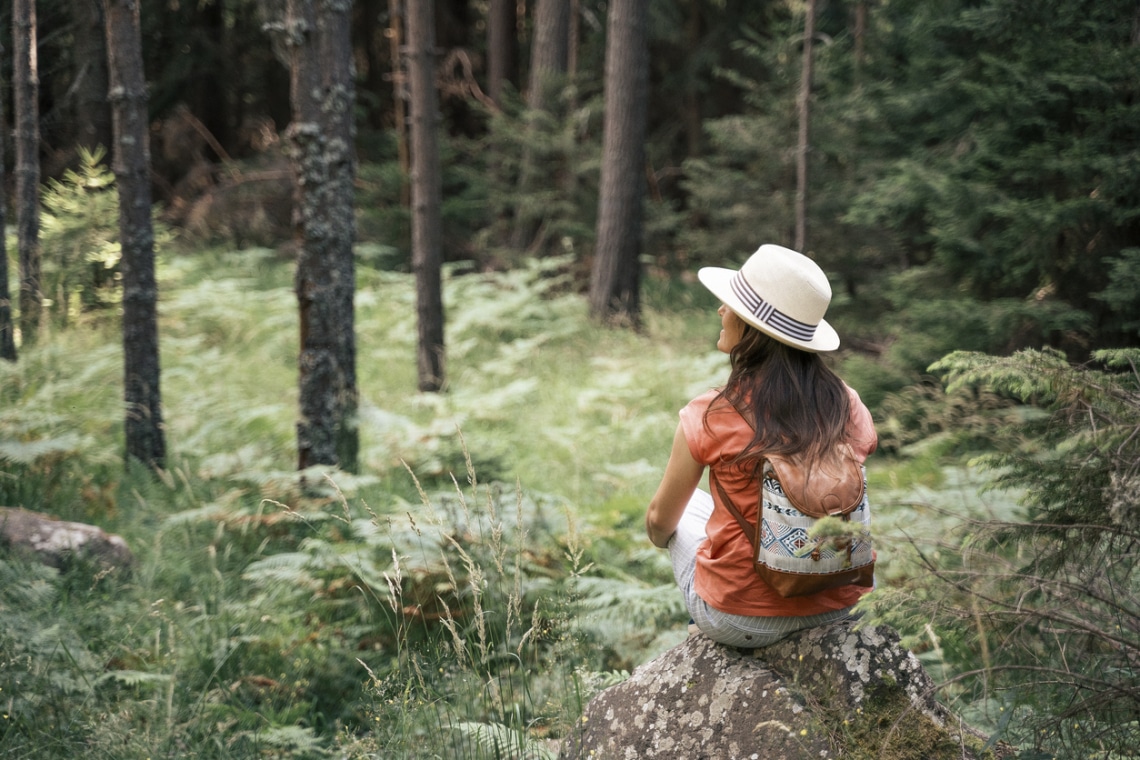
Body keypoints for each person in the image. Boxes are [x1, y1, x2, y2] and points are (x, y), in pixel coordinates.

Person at [645, 244, 878, 648]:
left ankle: (710, 637)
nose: (721, 310)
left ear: (754, 330)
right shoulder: (848, 403)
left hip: (739, 620)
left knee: (681, 515)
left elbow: (658, 523)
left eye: (732, 305)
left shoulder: (711, 413)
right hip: (840, 607)